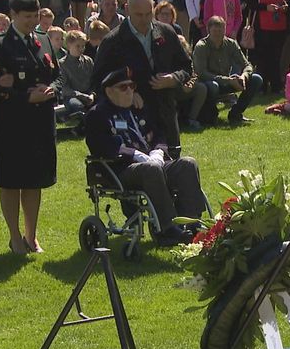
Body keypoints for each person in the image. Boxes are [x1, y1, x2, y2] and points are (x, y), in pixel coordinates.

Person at [84, 67, 206, 246]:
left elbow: (158, 135)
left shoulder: (137, 109)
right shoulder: (98, 114)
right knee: (151, 168)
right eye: (123, 87)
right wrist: (136, 155)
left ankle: (191, 222)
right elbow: (101, 146)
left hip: (152, 163)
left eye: (132, 86)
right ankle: (168, 228)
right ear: (109, 91)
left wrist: (157, 151)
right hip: (120, 169)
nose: (130, 91)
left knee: (187, 164)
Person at [0, 0, 59, 254]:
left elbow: (57, 76)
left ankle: (31, 234)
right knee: (11, 180)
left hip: (40, 122)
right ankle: (14, 236)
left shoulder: (43, 39)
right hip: (12, 123)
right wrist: (26, 96)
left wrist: (50, 89)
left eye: (35, 16)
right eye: (26, 17)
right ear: (13, 15)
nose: (31, 21)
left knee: (33, 180)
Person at [93, 0, 193, 152]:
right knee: (146, 171)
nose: (145, 19)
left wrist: (173, 78)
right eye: (139, 15)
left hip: (166, 114)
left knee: (174, 168)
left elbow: (186, 66)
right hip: (134, 121)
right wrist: (126, 92)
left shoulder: (166, 32)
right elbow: (98, 82)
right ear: (126, 10)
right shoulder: (113, 42)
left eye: (148, 14)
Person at [192, 15, 260, 126]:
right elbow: (201, 73)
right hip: (208, 84)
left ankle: (236, 113)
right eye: (215, 31)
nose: (218, 34)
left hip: (227, 82)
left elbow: (247, 65)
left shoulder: (231, 44)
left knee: (256, 79)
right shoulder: (201, 46)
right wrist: (228, 80)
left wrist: (243, 76)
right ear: (209, 30)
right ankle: (211, 115)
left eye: (221, 30)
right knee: (213, 85)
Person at [244, 0, 287, 93]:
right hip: (262, 28)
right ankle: (261, 87)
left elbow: (287, 1)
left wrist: (284, 7)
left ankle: (275, 86)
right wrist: (265, 7)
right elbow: (250, 4)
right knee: (262, 59)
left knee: (275, 58)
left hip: (278, 27)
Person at [56, 29, 95, 120]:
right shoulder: (62, 64)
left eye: (83, 46)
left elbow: (94, 81)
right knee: (77, 106)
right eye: (78, 46)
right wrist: (80, 95)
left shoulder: (88, 61)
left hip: (88, 95)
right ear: (69, 45)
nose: (81, 49)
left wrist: (92, 94)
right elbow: (65, 88)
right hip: (72, 96)